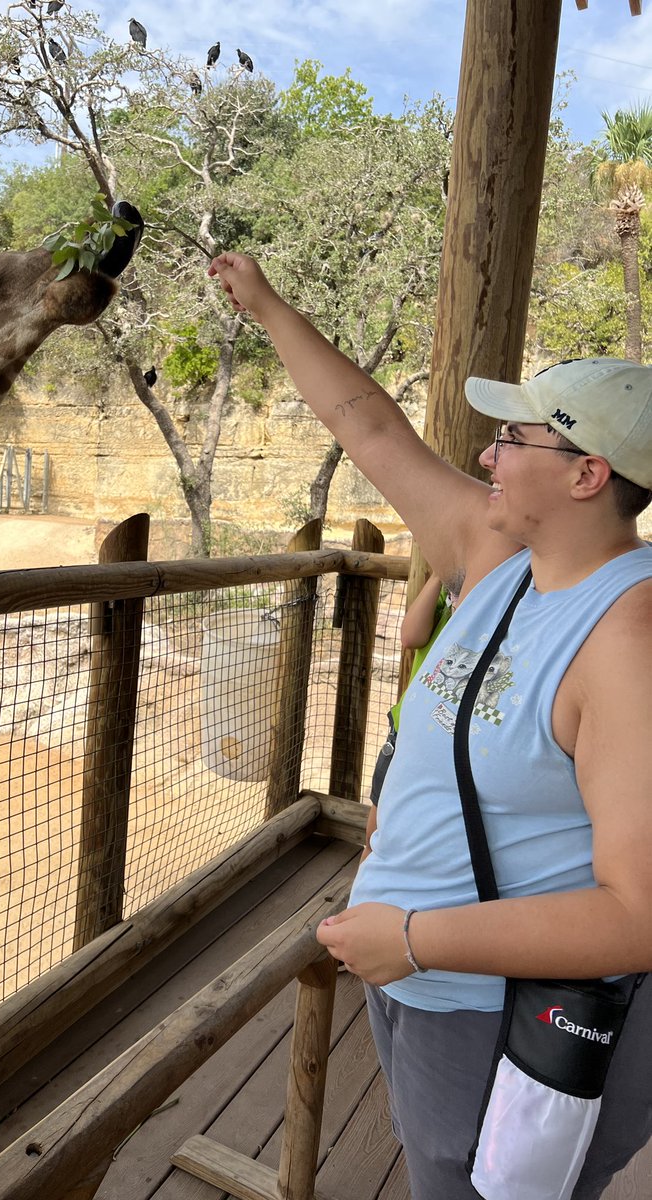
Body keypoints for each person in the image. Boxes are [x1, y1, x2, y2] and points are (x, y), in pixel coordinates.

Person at [207, 251, 652, 1200]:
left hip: (494, 1004)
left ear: (588, 475)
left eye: (512, 438)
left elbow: (637, 914)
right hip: (411, 973)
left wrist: (413, 940)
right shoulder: (504, 559)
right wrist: (269, 305)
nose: (486, 455)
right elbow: (364, 424)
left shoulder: (628, 643)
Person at [370, 572, 457, 806]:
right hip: (408, 727)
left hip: (450, 739)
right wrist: (441, 572)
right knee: (377, 825)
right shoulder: (447, 592)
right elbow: (410, 637)